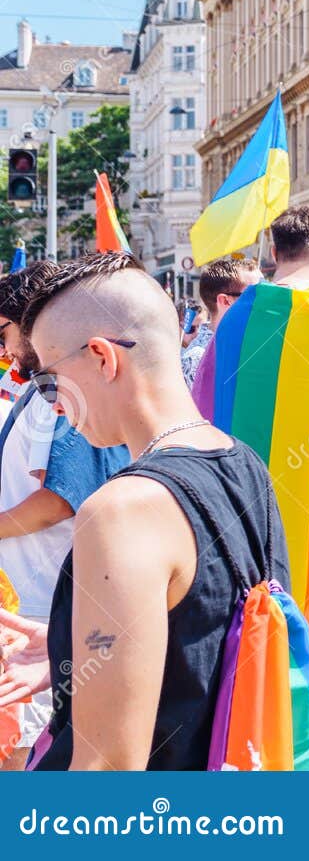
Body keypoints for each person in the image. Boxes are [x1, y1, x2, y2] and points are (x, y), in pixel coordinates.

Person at [9, 253, 286, 769]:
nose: (51, 404)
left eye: (48, 381)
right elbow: (205, 635)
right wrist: (77, 646)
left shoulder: (121, 511)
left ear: (101, 357)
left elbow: (107, 768)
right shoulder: (244, 462)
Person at [0, 263, 129, 768]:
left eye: (6, 333)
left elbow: (62, 499)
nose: (6, 350)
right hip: (34, 609)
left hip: (49, 609)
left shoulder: (66, 395)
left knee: (27, 757)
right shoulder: (40, 392)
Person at [181, 257, 261, 387]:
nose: (264, 300)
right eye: (255, 294)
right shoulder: (196, 360)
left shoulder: (254, 344)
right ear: (225, 301)